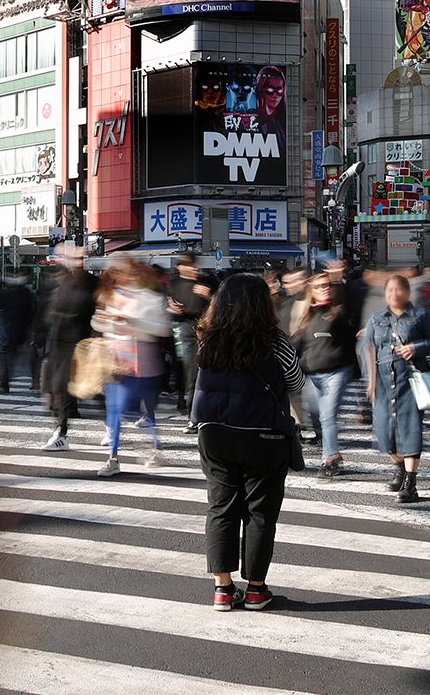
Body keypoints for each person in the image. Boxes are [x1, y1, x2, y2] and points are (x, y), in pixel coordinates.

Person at [190, 272, 304, 611]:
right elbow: (296, 384)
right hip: (263, 437)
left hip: (215, 434)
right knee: (260, 513)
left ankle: (223, 590)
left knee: (220, 508)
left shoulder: (207, 341)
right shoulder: (276, 343)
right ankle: (255, 589)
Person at [360, 273, 430, 503]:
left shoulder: (419, 316)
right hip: (384, 384)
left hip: (410, 381)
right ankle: (399, 468)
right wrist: (371, 381)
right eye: (389, 290)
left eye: (398, 290)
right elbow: (368, 348)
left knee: (410, 429)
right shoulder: (376, 319)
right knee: (385, 432)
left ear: (407, 292)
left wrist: (415, 348)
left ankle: (410, 484)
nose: (393, 294)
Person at [94, 257, 171, 475]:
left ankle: (155, 449)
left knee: (143, 410)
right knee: (115, 410)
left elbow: (164, 329)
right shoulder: (112, 296)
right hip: (115, 362)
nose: (122, 276)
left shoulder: (151, 298)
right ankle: (113, 458)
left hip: (143, 364)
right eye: (117, 273)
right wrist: (104, 320)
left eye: (126, 272)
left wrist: (133, 322)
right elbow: (98, 324)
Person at [290, 274, 354, 478]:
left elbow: (350, 341)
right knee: (316, 416)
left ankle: (330, 458)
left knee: (328, 415)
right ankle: (330, 448)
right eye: (319, 286)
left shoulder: (339, 312)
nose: (324, 288)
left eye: (327, 285)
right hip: (312, 374)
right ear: (312, 291)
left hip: (337, 371)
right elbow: (297, 343)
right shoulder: (307, 315)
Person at [39, 247, 97, 451]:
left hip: (81, 343)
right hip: (60, 344)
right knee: (60, 387)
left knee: (94, 390)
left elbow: (98, 309)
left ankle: (111, 425)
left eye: (81, 257)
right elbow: (50, 312)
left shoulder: (92, 283)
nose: (78, 261)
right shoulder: (65, 283)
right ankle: (61, 431)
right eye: (74, 258)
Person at [167, 253, 214, 424]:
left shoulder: (207, 281)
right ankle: (190, 411)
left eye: (195, 265)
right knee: (187, 369)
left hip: (205, 330)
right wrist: (171, 309)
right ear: (179, 267)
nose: (194, 268)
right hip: (182, 330)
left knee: (201, 371)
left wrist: (209, 297)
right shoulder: (173, 284)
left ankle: (196, 411)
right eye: (189, 265)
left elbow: (220, 304)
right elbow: (167, 306)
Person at [0, 273, 37, 393]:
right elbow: (32, 309)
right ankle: (35, 380)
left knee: (6, 356)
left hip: (10, 328)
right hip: (25, 327)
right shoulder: (26, 293)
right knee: (32, 355)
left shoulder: (6, 293)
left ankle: (4, 383)